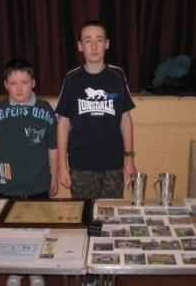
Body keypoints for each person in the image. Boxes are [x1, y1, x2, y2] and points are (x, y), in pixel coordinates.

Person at [0, 58, 57, 286]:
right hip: (7, 184)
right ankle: (15, 270)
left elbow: (53, 148)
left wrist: (53, 176)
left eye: (24, 82)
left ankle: (36, 270)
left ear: (33, 82)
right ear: (5, 84)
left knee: (37, 228)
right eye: (13, 82)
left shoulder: (45, 109)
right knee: (10, 229)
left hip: (38, 183)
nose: (19, 87)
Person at [56, 20, 137, 200]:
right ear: (80, 46)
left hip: (113, 165)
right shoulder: (72, 78)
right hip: (81, 166)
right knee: (84, 216)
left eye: (99, 40)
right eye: (87, 40)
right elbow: (63, 124)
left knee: (111, 216)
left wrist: (129, 160)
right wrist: (61, 165)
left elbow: (125, 120)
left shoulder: (117, 76)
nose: (94, 46)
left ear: (106, 44)